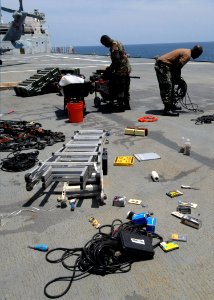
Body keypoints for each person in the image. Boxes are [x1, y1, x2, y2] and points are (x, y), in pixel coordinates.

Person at [154, 45, 203, 116]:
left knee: (173, 84)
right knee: (167, 87)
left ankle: (171, 105)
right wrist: (178, 79)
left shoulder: (186, 51)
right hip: (162, 66)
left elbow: (176, 67)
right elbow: (177, 67)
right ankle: (167, 110)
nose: (198, 57)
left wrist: (178, 79)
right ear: (195, 51)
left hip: (166, 66)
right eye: (198, 54)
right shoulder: (187, 55)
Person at [100, 35, 132, 110]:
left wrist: (108, 71)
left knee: (120, 88)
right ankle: (127, 105)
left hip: (121, 70)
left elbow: (116, 61)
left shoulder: (114, 45)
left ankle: (121, 106)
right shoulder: (118, 42)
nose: (105, 46)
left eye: (104, 44)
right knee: (126, 88)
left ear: (106, 41)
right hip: (127, 68)